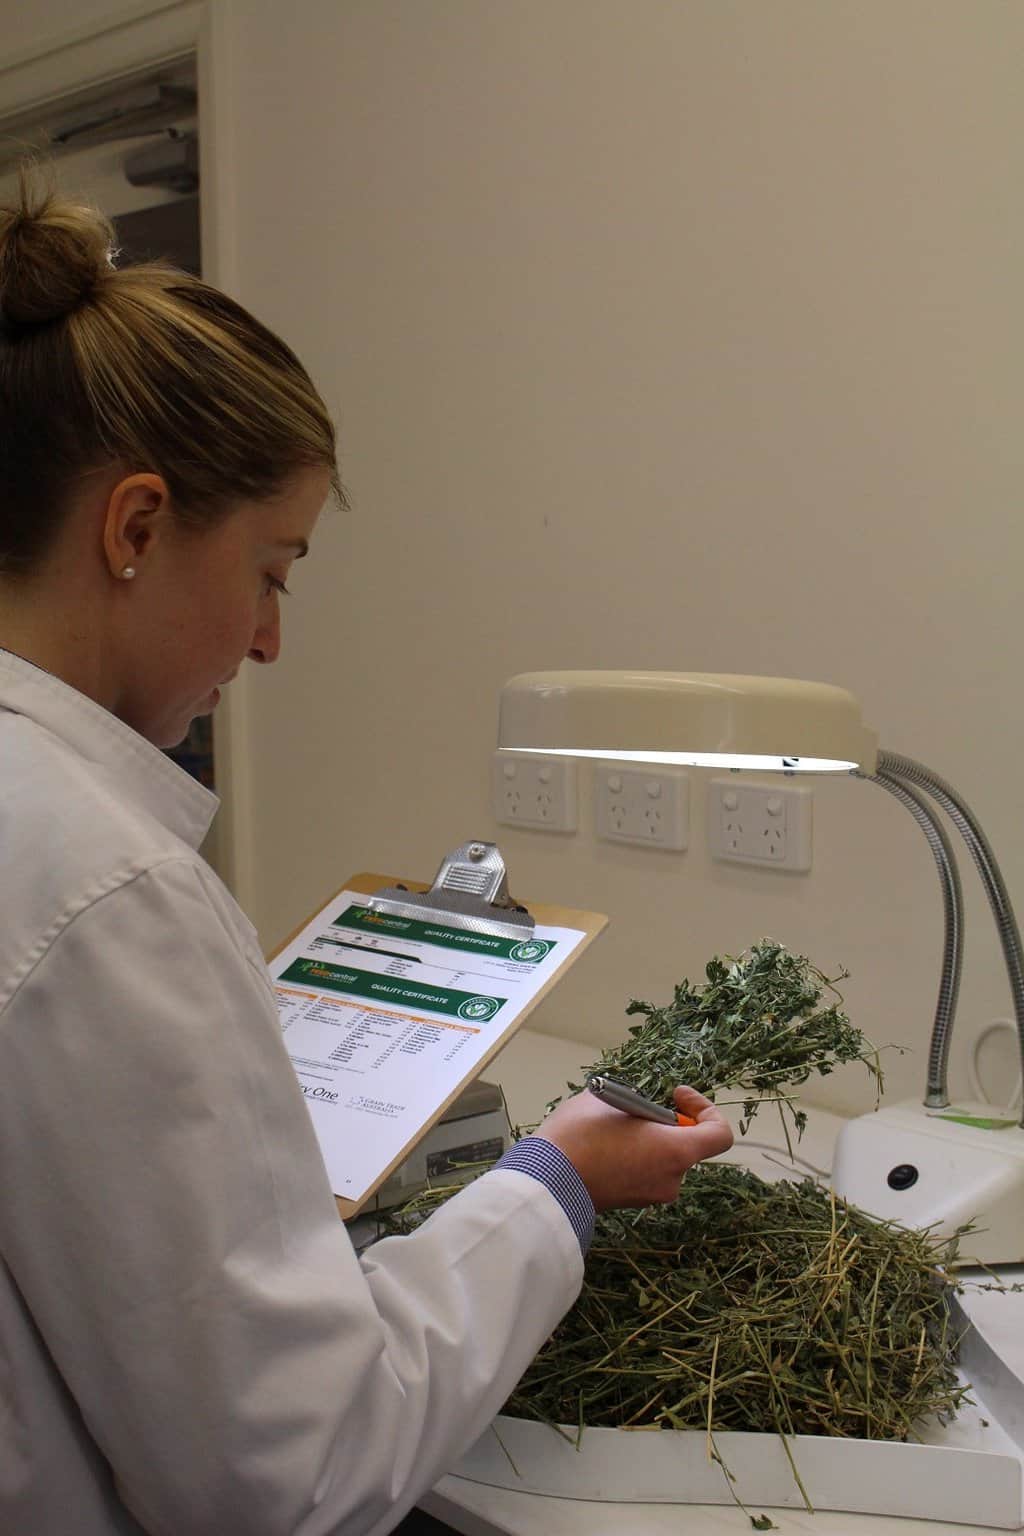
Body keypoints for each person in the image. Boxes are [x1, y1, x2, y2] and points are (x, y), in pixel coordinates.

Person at [0, 169, 733, 1536]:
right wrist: (556, 1181)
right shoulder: (108, 891)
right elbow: (294, 1475)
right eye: (272, 571)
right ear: (137, 528)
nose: (271, 642)